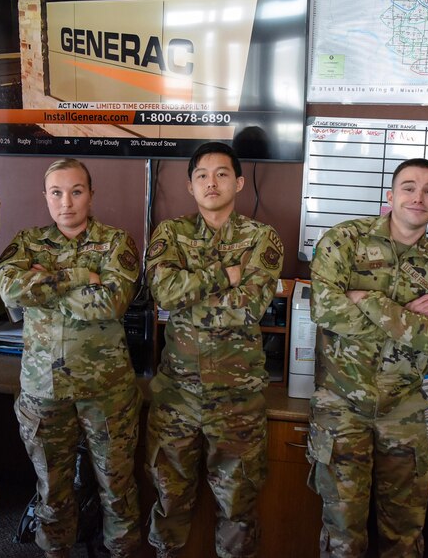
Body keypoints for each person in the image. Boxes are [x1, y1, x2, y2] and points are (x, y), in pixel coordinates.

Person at [307, 157, 428, 557]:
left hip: (403, 411)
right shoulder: (344, 241)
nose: (419, 196)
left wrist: (367, 299)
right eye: (409, 187)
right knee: (342, 532)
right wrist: (405, 312)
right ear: (391, 195)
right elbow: (325, 311)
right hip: (341, 405)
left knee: (404, 534)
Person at [0, 158, 142, 558]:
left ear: (91, 195)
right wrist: (82, 278)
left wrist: (44, 282)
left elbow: (111, 303)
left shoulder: (116, 242)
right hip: (45, 391)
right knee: (52, 490)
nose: (66, 202)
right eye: (56, 192)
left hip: (106, 393)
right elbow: (10, 291)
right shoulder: (27, 242)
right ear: (45, 197)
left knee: (118, 490)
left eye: (76, 191)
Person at [145, 141, 283, 558]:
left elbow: (251, 307)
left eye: (222, 173)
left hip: (236, 399)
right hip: (177, 396)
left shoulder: (262, 237)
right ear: (189, 186)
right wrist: (226, 274)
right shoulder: (170, 232)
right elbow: (165, 292)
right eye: (202, 175)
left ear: (239, 182)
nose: (211, 182)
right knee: (170, 498)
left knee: (238, 506)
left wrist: (194, 292)